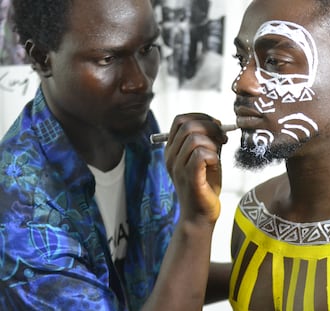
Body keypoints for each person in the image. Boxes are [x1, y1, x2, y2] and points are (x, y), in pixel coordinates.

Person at [165, 0, 330, 309]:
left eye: (275, 62)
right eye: (242, 59)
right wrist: (195, 219)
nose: (241, 83)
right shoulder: (255, 214)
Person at [0, 0, 229, 310]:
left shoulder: (135, 127)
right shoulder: (19, 212)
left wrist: (269, 266)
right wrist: (196, 221)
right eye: (108, 58)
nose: (140, 81)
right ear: (42, 58)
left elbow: (162, 275)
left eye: (147, 49)